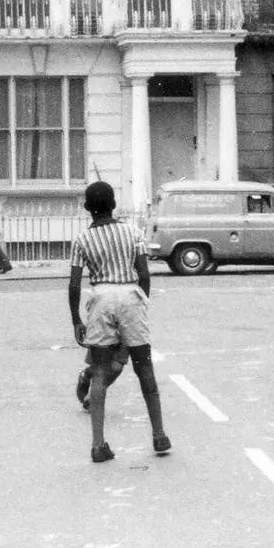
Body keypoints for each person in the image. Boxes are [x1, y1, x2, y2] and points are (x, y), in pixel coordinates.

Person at [68, 180, 171, 463]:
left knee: (99, 373)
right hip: (130, 297)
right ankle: (159, 435)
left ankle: (98, 445)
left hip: (100, 298)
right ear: (113, 204)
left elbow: (75, 285)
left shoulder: (82, 240)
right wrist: (141, 302)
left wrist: (77, 319)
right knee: (144, 368)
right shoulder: (132, 232)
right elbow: (144, 275)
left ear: (88, 209)